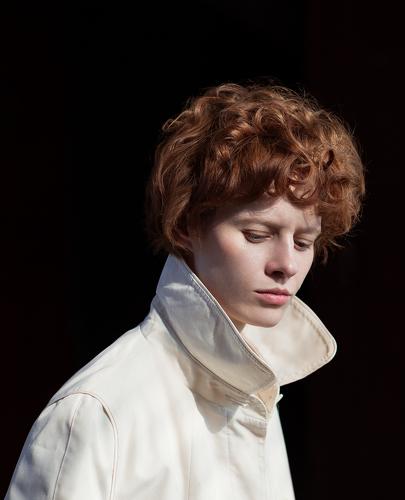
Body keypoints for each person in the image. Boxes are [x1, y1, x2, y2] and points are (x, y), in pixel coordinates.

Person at [6, 82, 365, 499]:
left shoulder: (259, 392)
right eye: (256, 234)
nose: (286, 264)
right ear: (185, 226)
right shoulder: (97, 412)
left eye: (304, 242)